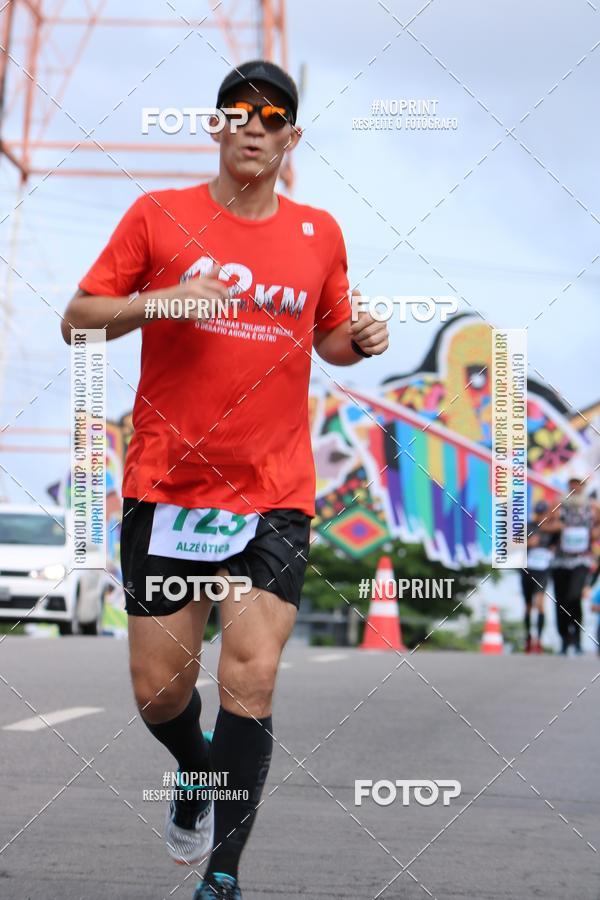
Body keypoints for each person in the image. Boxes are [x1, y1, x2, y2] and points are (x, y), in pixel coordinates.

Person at [61, 60, 389, 900]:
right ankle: (194, 770)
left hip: (273, 490)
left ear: (291, 136)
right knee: (159, 691)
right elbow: (79, 320)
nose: (254, 126)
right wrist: (162, 301)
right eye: (238, 113)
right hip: (167, 486)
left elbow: (331, 337)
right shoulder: (158, 215)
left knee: (250, 674)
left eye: (272, 116)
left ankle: (223, 875)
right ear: (215, 126)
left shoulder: (319, 233)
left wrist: (362, 338)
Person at [548, 474, 600, 656]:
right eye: (572, 484)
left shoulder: (592, 505)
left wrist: (594, 532)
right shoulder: (558, 504)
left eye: (578, 484)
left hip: (581, 559)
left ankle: (577, 638)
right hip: (560, 560)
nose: (575, 487)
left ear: (584, 486)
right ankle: (564, 639)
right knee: (560, 601)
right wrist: (558, 527)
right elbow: (544, 525)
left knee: (574, 596)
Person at [521, 500, 555, 653]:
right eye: (539, 513)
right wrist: (528, 543)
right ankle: (528, 638)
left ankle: (539, 641)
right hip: (527, 570)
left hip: (543, 571)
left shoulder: (551, 530)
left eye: (544, 514)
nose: (541, 516)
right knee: (528, 606)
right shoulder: (527, 527)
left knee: (540, 604)